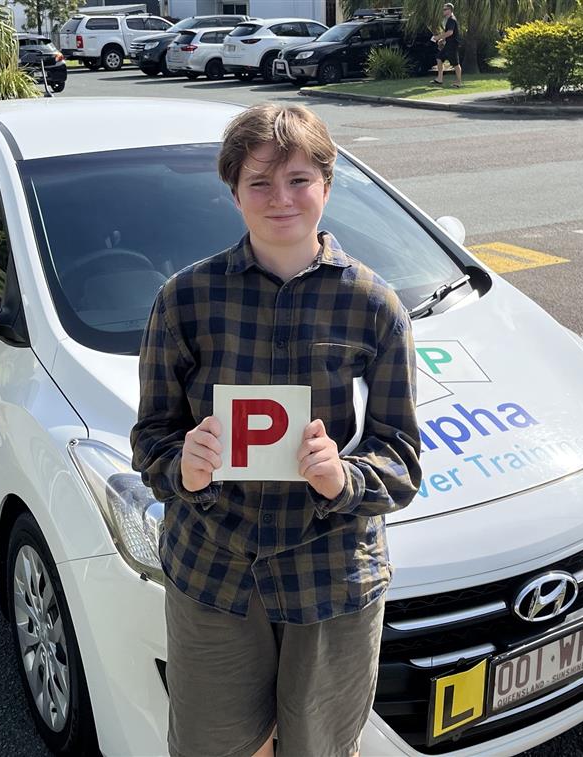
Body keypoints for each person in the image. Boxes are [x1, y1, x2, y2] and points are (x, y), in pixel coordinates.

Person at [130, 103, 422, 757]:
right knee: (214, 748)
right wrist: (183, 465)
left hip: (331, 573)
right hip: (214, 569)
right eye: (259, 182)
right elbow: (151, 434)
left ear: (327, 184)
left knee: (320, 748)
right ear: (234, 192)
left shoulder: (374, 305)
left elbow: (401, 456)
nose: (280, 198)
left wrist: (344, 477)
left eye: (298, 180)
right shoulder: (185, 299)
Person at [432, 2, 462, 87]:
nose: (443, 11)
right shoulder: (449, 20)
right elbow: (449, 33)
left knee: (455, 64)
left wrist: (438, 37)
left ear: (450, 10)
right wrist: (442, 39)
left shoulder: (451, 19)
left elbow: (450, 32)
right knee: (439, 58)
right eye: (443, 9)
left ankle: (458, 82)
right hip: (448, 44)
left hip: (453, 45)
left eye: (445, 9)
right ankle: (439, 79)